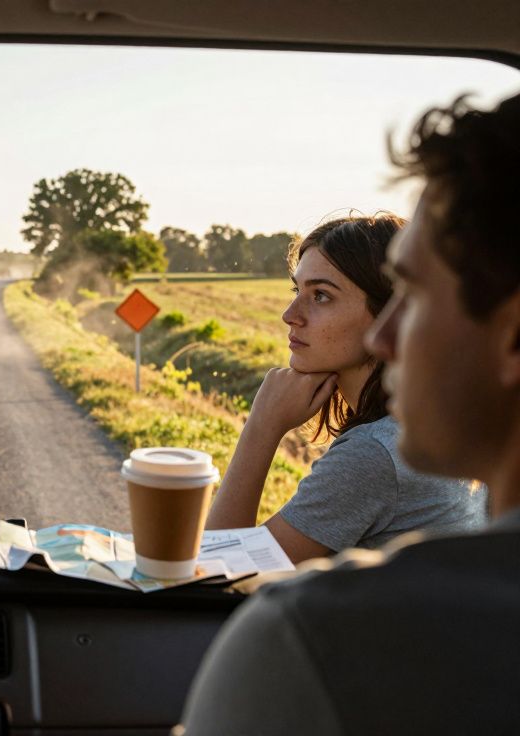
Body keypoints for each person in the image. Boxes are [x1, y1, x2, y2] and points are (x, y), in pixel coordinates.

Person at [181, 92, 520, 734]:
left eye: (414, 297)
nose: (389, 341)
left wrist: (258, 431)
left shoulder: (309, 630)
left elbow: (216, 575)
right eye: (296, 293)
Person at [205, 215, 486, 563]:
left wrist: (261, 426)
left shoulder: (375, 455)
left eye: (321, 295)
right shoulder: (441, 427)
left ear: (388, 313)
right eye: (298, 291)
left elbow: (220, 568)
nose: (290, 314)